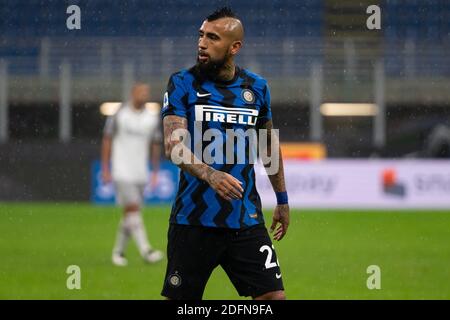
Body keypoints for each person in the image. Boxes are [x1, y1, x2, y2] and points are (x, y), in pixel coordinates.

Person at [161, 7, 290, 300]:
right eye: (201, 35)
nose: (202, 43)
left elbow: (268, 144)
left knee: (273, 298)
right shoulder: (182, 83)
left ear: (235, 47)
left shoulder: (256, 88)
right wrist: (210, 174)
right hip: (193, 220)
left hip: (245, 219)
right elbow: (174, 146)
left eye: (213, 37)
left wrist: (282, 199)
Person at [101, 83, 164, 266]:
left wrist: (155, 171)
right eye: (140, 92)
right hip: (122, 170)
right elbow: (107, 140)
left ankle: (118, 253)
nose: (144, 95)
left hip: (140, 171)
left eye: (146, 92)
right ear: (132, 93)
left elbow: (155, 144)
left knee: (130, 215)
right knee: (133, 210)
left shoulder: (151, 118)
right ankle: (147, 251)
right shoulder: (119, 114)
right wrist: (106, 169)